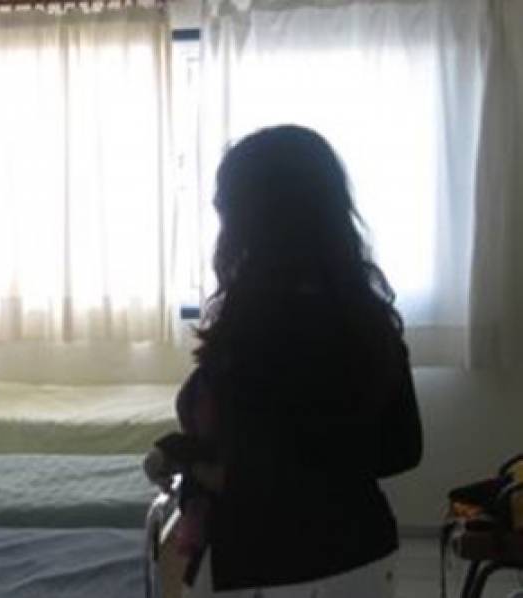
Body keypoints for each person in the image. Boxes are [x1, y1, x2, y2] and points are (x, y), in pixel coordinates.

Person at [144, 125, 423, 597]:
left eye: (226, 210)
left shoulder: (254, 326)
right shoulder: (364, 317)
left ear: (253, 220)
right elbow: (402, 450)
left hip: (267, 563)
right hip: (364, 552)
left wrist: (192, 464)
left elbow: (257, 470)